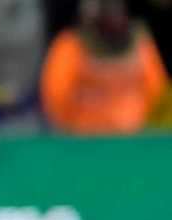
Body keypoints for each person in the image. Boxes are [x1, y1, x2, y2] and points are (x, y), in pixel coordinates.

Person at [41, 0, 168, 134]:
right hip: (84, 139)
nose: (111, 13)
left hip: (132, 138)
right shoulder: (70, 45)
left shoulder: (140, 44)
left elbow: (156, 92)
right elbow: (56, 98)